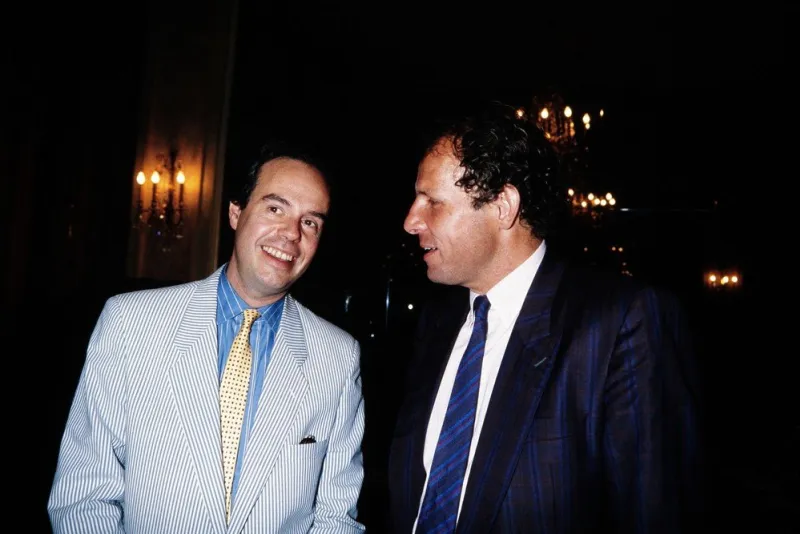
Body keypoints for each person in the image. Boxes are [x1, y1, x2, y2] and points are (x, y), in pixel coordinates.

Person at [388, 101, 703, 533]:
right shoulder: (436, 324)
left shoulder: (620, 322)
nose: (411, 220)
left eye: (433, 202)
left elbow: (653, 509)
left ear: (503, 205)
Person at [48, 140, 366, 533]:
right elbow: (83, 493)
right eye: (275, 209)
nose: (290, 234)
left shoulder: (338, 357)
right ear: (236, 212)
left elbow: (336, 516)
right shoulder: (130, 322)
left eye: (310, 222)